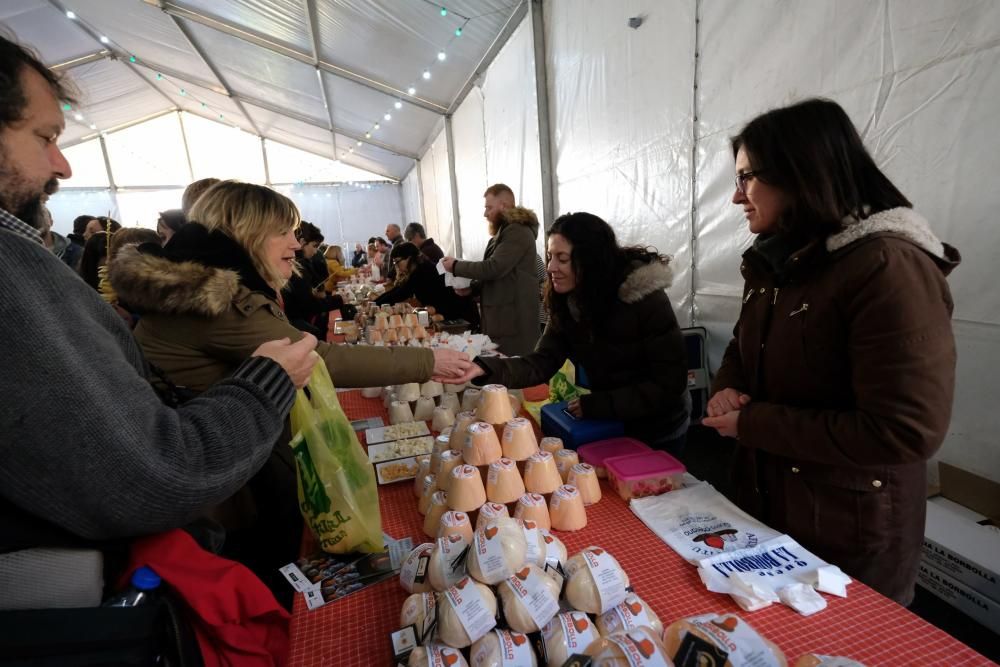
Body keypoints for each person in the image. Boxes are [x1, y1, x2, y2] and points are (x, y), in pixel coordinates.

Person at [0, 33, 319, 613]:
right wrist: (266, 381)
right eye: (44, 137)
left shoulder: (25, 266)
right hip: (95, 598)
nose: (63, 164)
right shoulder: (10, 276)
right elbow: (151, 476)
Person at [110, 181, 474, 592]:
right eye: (282, 232)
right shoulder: (219, 303)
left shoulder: (209, 286)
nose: (295, 244)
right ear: (247, 232)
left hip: (214, 471)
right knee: (260, 581)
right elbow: (322, 358)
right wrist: (429, 362)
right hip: (222, 491)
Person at [701, 98, 960, 606]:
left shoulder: (887, 266)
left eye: (748, 176)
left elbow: (904, 431)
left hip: (849, 533)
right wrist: (728, 386)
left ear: (801, 173)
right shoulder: (777, 261)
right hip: (773, 510)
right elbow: (742, 344)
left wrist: (752, 425)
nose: (736, 197)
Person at [452, 212, 689, 453]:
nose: (551, 267)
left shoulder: (645, 299)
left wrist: (600, 404)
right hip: (612, 421)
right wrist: (486, 368)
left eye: (562, 259)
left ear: (590, 260)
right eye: (549, 256)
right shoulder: (569, 301)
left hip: (659, 427)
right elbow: (542, 361)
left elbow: (670, 382)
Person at [442, 186, 541, 356]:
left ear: (503, 205)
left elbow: (493, 268)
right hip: (502, 321)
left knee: (514, 372)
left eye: (489, 207)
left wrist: (456, 266)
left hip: (514, 323)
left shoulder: (518, 231)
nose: (485, 214)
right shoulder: (502, 235)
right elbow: (496, 277)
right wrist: (472, 288)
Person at [375, 242, 480, 326]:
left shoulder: (422, 271)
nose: (396, 266)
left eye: (397, 262)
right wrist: (374, 303)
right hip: (453, 312)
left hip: (461, 315)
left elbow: (400, 293)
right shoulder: (421, 268)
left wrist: (375, 304)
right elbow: (398, 290)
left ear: (410, 258)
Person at [284, 221, 342, 336]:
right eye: (314, 246)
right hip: (298, 326)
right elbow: (309, 305)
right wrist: (338, 300)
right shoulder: (297, 267)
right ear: (301, 242)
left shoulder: (302, 264)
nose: (316, 251)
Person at [37, 197, 82, 269]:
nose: (37, 220)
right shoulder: (22, 250)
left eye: (41, 215)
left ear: (51, 222)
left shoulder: (74, 251)